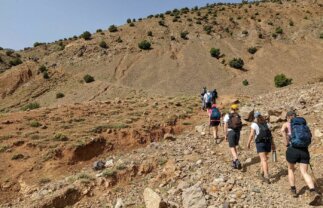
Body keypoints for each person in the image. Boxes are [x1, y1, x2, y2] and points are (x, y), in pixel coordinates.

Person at [281, 111, 321, 204]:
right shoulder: (303, 124)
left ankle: (293, 190)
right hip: (304, 150)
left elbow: (283, 132)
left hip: (292, 149)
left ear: (287, 117)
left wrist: (286, 141)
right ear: (295, 116)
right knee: (304, 172)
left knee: (290, 169)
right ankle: (312, 191)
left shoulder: (287, 124)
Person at [247, 111, 275, 184]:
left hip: (260, 143)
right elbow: (270, 135)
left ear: (255, 117)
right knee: (264, 159)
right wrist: (273, 145)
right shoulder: (266, 123)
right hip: (268, 143)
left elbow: (251, 135)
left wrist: (248, 143)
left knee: (264, 160)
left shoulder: (254, 124)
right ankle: (261, 173)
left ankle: (266, 175)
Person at [224, 104, 243, 169]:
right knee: (234, 147)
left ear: (231, 108)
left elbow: (225, 126)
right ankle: (234, 162)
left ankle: (237, 160)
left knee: (232, 147)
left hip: (231, 132)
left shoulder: (227, 115)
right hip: (237, 132)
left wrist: (225, 134)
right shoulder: (238, 115)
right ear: (236, 109)